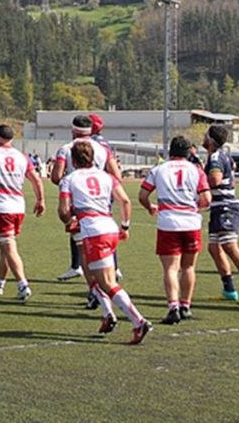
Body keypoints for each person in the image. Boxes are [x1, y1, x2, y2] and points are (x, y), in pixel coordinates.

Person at [59, 140, 151, 344]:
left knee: (107, 282)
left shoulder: (69, 179)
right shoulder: (107, 177)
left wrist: (69, 221)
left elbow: (64, 210)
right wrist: (125, 227)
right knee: (91, 272)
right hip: (108, 227)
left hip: (92, 231)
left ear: (73, 160)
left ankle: (139, 321)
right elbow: (125, 201)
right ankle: (108, 314)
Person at [138, 135, 211, 325]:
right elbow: (207, 199)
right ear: (188, 153)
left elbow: (143, 194)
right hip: (191, 222)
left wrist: (150, 206)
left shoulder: (159, 169)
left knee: (171, 268)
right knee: (188, 267)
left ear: (170, 151)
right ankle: (186, 306)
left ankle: (173, 307)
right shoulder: (196, 170)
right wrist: (194, 206)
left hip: (168, 222)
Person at [50, 115, 123, 295]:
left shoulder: (66, 149)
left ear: (73, 130)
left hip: (78, 203)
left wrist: (70, 184)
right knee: (102, 238)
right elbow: (117, 175)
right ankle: (111, 273)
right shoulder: (103, 149)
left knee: (85, 249)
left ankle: (94, 291)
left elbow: (56, 177)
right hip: (101, 199)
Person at [0, 125, 46, 301]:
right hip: (18, 207)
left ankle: (23, 285)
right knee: (5, 247)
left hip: (1, 207)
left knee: (9, 247)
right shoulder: (22, 157)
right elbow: (36, 179)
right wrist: (40, 200)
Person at [203, 125, 239, 304]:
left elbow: (215, 180)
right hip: (218, 206)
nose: (203, 138)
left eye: (206, 135)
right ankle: (229, 289)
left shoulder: (215, 157)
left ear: (211, 139)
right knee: (214, 247)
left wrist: (197, 182)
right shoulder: (220, 155)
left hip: (226, 206)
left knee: (229, 245)